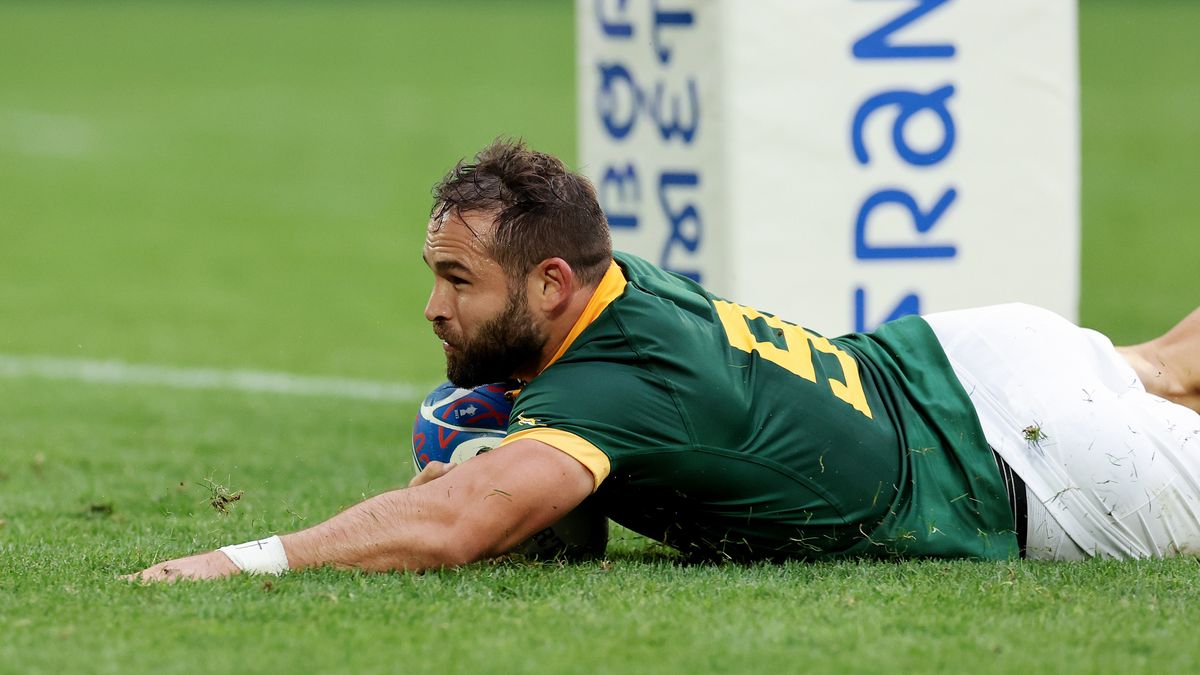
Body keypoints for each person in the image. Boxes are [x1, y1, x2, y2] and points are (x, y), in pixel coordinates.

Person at [130, 140, 1200, 581]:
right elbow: (574, 510)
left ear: (550, 283)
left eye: (459, 282)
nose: (433, 307)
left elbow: (460, 526)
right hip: (964, 357)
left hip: (1037, 467)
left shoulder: (609, 391)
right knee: (1172, 359)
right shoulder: (617, 277)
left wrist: (233, 563)